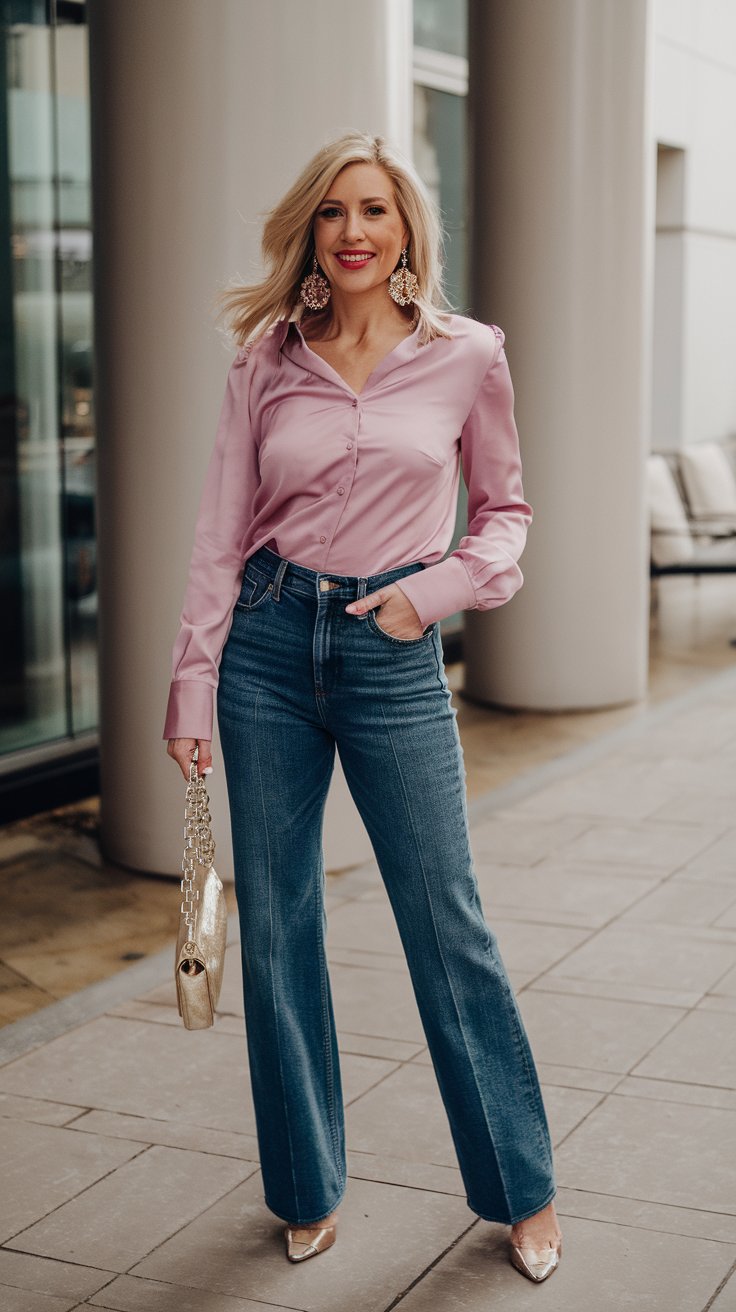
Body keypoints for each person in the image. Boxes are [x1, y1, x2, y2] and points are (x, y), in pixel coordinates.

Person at [163, 130, 563, 1284]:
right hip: (267, 649)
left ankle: (519, 1185)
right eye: (333, 212)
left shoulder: (466, 354)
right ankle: (304, 1186)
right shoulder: (263, 362)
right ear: (310, 229)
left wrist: (426, 597)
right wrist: (191, 679)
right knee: (283, 929)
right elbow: (216, 538)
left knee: (449, 923)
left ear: (405, 231)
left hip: (391, 654)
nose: (352, 231)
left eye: (374, 211)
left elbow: (506, 517)